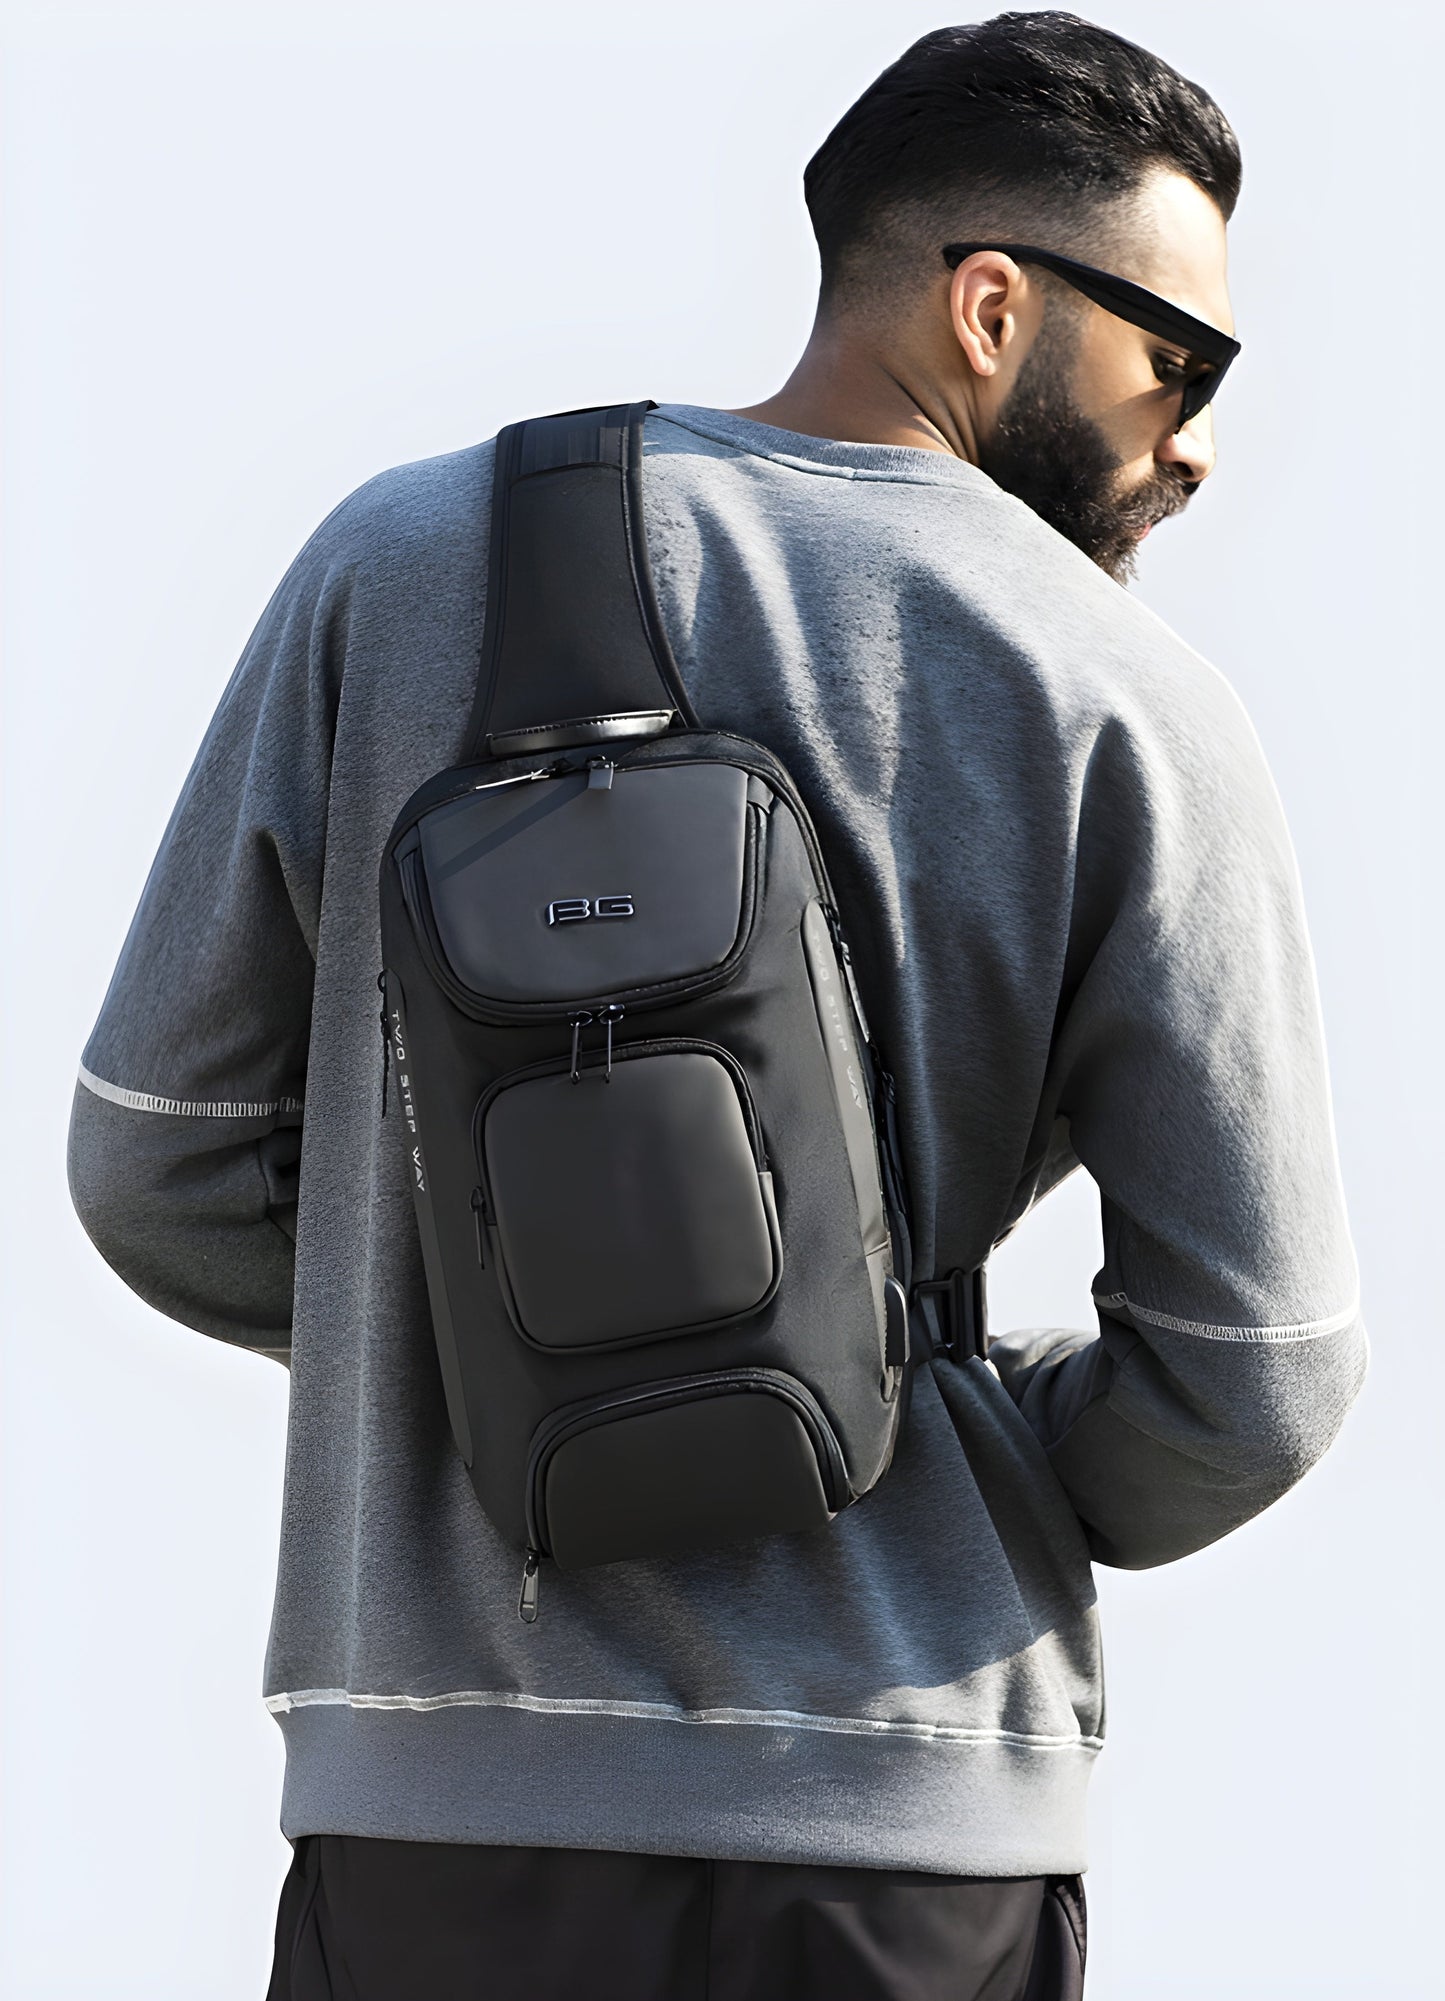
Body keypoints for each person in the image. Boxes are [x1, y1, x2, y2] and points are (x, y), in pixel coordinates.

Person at [67, 13, 1366, 1999]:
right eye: (1174, 363)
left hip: (439, 1815)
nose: (1194, 437)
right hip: (904, 1838)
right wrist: (922, 1423)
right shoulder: (1129, 701)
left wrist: (484, 1337)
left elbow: (157, 1162)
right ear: (996, 306)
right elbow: (1254, 1365)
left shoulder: (402, 565)